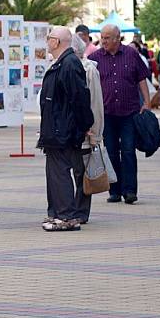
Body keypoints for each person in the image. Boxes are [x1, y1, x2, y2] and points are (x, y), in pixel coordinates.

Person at [37, 26, 94, 231]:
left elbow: (80, 98)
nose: (46, 41)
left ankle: (67, 216)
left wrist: (85, 125)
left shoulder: (69, 64)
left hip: (63, 131)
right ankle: (57, 213)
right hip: (56, 130)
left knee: (60, 173)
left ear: (57, 42)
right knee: (55, 172)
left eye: (49, 37)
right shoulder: (61, 63)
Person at [90, 24, 151, 205]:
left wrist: (147, 103)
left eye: (107, 38)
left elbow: (141, 79)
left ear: (118, 38)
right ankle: (114, 190)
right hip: (107, 113)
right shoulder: (95, 59)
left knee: (128, 151)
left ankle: (130, 191)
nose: (104, 41)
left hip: (129, 112)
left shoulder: (131, 55)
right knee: (110, 152)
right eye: (102, 37)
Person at [70, 34, 104, 225]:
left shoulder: (89, 70)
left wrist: (95, 134)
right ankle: (71, 208)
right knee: (71, 171)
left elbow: (96, 104)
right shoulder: (59, 68)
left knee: (81, 172)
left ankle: (81, 211)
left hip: (84, 131)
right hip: (66, 132)